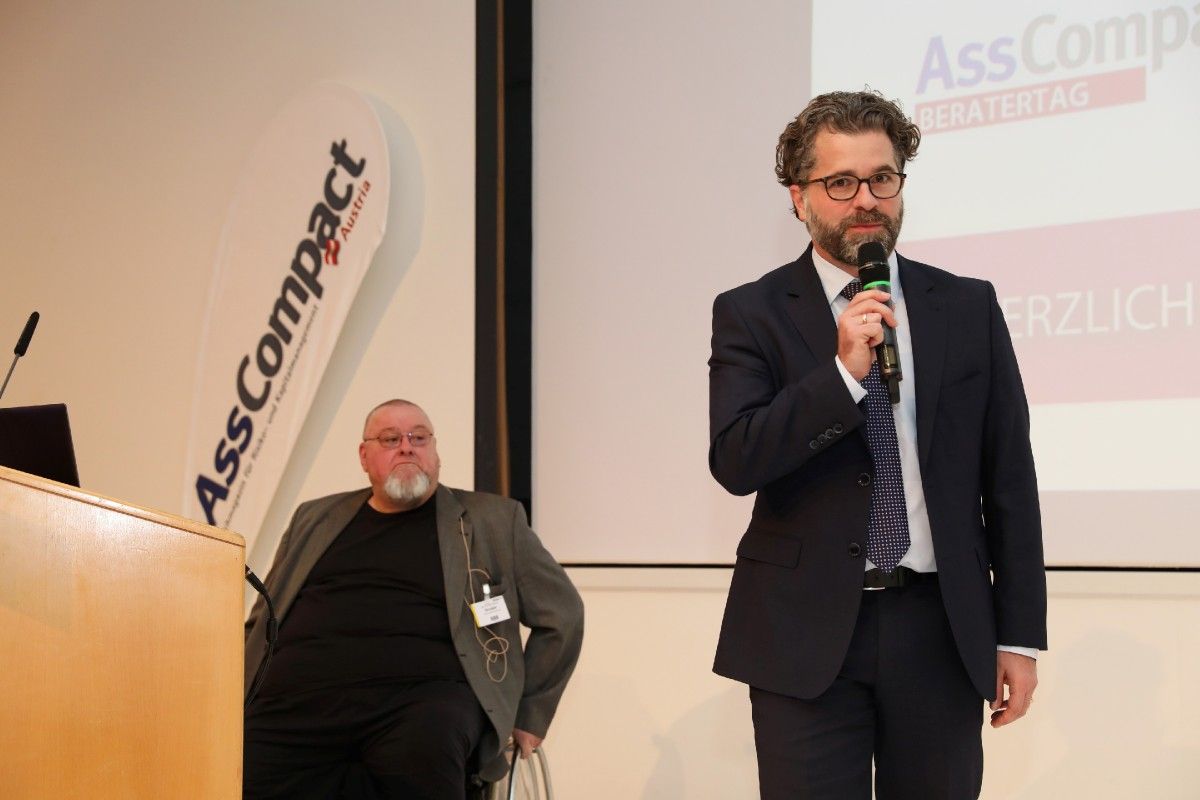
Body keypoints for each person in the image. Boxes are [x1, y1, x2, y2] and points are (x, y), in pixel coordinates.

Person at [708, 90, 1047, 799]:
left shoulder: (967, 305)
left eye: (882, 178)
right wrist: (840, 376)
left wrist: (1017, 636)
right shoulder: (751, 312)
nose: (866, 200)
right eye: (841, 182)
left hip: (939, 625)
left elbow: (1009, 478)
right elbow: (737, 458)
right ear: (798, 198)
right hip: (803, 632)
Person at [243, 399, 584, 799]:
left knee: (426, 748)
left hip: (421, 704)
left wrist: (531, 712)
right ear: (364, 456)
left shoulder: (493, 520)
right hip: (297, 702)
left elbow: (563, 614)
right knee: (234, 764)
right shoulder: (314, 517)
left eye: (419, 438)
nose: (406, 447)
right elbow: (264, 617)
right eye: (390, 439)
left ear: (435, 453)